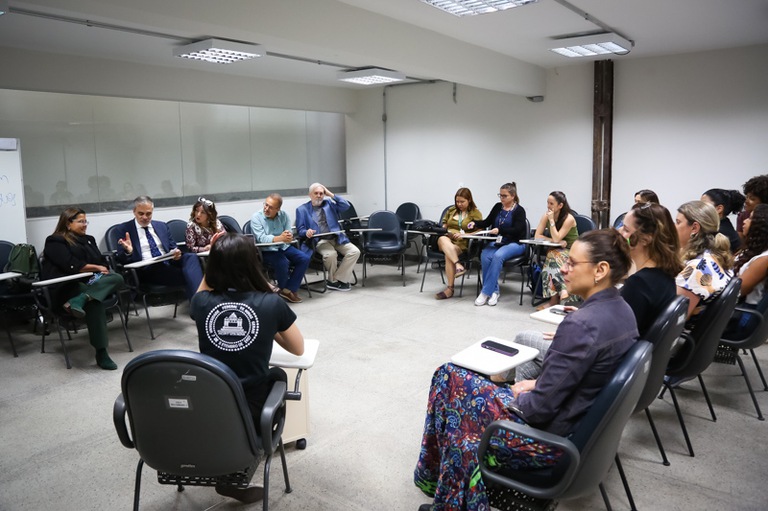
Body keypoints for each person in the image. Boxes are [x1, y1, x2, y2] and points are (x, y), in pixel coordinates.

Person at [414, 229, 638, 511]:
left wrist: (521, 392)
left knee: (451, 386)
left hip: (546, 441)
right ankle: (444, 489)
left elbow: (537, 411)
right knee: (452, 377)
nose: (564, 269)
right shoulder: (623, 312)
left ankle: (439, 487)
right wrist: (537, 384)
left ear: (601, 270)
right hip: (574, 429)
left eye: (572, 263)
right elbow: (579, 379)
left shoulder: (581, 325)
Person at [190, 232, 304, 504]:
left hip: (206, 404)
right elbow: (298, 349)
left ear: (214, 265)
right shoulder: (270, 303)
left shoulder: (201, 303)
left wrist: (215, 256)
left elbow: (202, 290)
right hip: (249, 411)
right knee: (277, 375)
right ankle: (246, 459)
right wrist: (266, 327)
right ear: (253, 263)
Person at [513, 203, 682, 382]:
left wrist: (574, 334)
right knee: (529, 365)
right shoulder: (664, 275)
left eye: (625, 229)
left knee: (524, 338)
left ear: (646, 239)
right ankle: (513, 387)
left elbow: (616, 335)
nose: (619, 234)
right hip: (632, 369)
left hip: (603, 363)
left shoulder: (639, 284)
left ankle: (507, 388)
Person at [42, 208, 125, 370]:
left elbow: (103, 262)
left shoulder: (89, 239)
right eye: (81, 221)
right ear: (67, 223)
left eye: (85, 221)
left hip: (91, 283)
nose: (85, 225)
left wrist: (116, 258)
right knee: (95, 304)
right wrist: (97, 267)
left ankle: (81, 299)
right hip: (67, 286)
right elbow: (70, 264)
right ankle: (102, 352)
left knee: (118, 278)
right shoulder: (54, 241)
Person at [115, 196, 204, 300]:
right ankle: (200, 301)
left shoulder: (162, 226)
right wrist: (128, 252)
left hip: (167, 262)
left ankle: (198, 301)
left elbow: (173, 247)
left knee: (191, 257)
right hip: (146, 269)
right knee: (193, 274)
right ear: (134, 212)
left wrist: (176, 253)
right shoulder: (124, 229)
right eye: (141, 213)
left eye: (148, 214)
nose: (145, 217)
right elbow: (121, 260)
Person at [467, 183, 527, 306]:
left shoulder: (519, 211)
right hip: (498, 241)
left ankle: (485, 292)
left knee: (498, 256)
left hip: (515, 243)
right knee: (485, 255)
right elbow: (487, 222)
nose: (501, 198)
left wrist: (500, 230)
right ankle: (494, 291)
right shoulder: (498, 207)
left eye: (505, 196)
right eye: (500, 195)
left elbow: (518, 230)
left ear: (513, 196)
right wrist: (475, 223)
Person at [675, 200, 734, 323]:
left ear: (695, 228)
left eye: (678, 222)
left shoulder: (697, 268)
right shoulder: (715, 255)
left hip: (682, 334)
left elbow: (675, 319)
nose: (674, 227)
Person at [295, 183, 360, 291]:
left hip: (337, 237)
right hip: (320, 241)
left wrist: (330, 194)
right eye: (316, 193)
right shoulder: (302, 209)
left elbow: (346, 206)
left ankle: (336, 279)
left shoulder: (329, 204)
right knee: (330, 255)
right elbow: (300, 229)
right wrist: (307, 232)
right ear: (310, 195)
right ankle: (334, 282)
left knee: (355, 251)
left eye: (321, 193)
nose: (319, 195)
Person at [252, 193, 311, 303]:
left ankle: (287, 290)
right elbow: (261, 239)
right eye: (266, 205)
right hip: (267, 250)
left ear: (278, 209)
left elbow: (288, 233)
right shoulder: (256, 217)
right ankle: (287, 291)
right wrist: (280, 238)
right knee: (282, 262)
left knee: (304, 258)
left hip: (283, 246)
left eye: (270, 207)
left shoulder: (284, 216)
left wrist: (288, 237)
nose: (266, 209)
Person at [723, 204, 768, 339]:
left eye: (750, 219)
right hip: (737, 310)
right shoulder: (753, 251)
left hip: (742, 317)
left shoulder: (764, 259)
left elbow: (738, 291)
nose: (745, 221)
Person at [434, 187, 482, 300]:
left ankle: (450, 289)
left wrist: (467, 235)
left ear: (469, 200)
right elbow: (444, 226)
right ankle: (458, 265)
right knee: (442, 239)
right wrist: (446, 231)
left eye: (462, 202)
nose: (459, 204)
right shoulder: (451, 210)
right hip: (447, 240)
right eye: (457, 201)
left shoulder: (475, 213)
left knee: (448, 254)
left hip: (462, 243)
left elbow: (481, 230)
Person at [534, 191, 578, 309]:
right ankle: (561, 292)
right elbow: (537, 236)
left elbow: (557, 237)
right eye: (547, 203)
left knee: (552, 256)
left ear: (560, 205)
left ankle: (553, 300)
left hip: (572, 251)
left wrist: (552, 221)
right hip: (556, 250)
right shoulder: (546, 215)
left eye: (551, 203)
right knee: (552, 255)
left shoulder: (569, 218)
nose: (548, 206)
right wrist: (556, 242)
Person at [701, 188, 745, 253]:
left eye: (703, 205)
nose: (699, 208)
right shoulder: (723, 224)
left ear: (719, 209)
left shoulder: (720, 231)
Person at [737, 175, 768, 243]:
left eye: (752, 199)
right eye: (746, 197)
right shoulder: (743, 216)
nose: (746, 201)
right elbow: (742, 243)